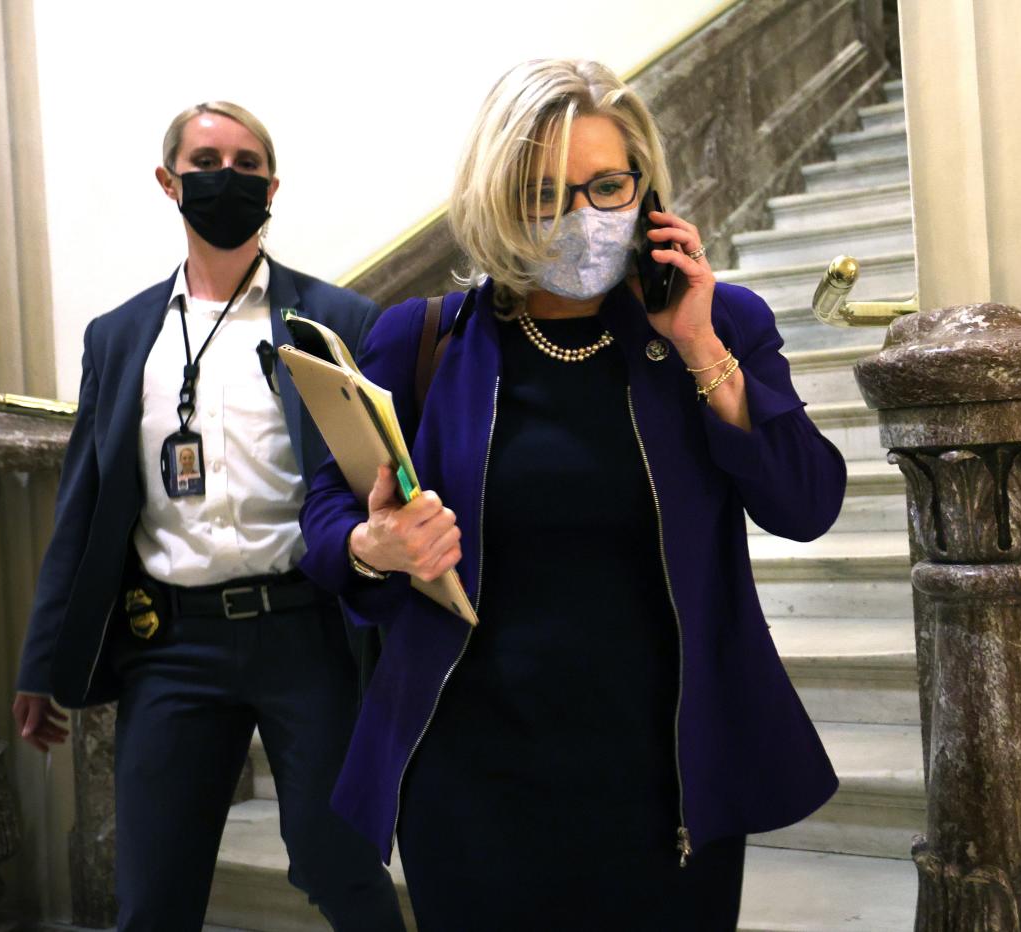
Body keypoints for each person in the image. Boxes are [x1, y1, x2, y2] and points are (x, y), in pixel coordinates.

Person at [298, 60, 848, 931]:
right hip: (472, 768)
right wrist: (375, 547)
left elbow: (807, 503)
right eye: (546, 193)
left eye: (608, 185)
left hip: (665, 766)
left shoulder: (721, 324)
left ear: (647, 192)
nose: (584, 216)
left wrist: (703, 349)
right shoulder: (422, 341)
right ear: (497, 201)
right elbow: (327, 516)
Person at [10, 101, 405, 932]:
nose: (228, 177)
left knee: (341, 865)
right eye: (207, 160)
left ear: (272, 186)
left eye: (248, 163)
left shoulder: (337, 321)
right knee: (152, 893)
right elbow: (84, 505)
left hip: (306, 633)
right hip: (173, 646)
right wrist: (44, 659)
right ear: (170, 181)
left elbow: (379, 478)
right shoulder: (118, 338)